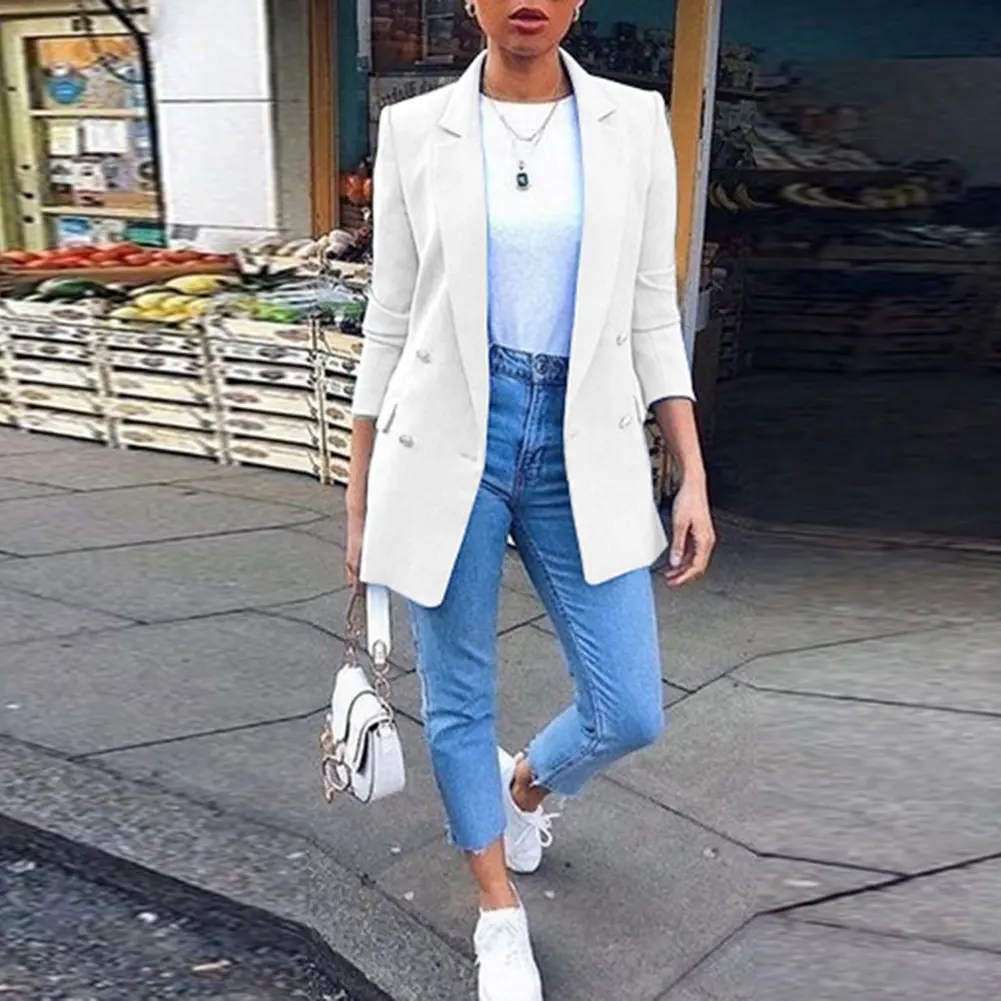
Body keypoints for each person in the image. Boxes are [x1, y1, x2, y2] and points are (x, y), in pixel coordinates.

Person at [345, 2, 716, 997]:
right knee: (457, 694)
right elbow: (389, 318)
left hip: (580, 434)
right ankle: (496, 912)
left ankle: (525, 785)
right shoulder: (414, 129)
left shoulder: (634, 121)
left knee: (629, 706)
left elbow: (650, 306)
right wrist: (359, 497)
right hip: (446, 434)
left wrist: (690, 471)